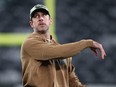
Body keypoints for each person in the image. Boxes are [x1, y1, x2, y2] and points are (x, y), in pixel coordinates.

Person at [21, 4, 106, 87]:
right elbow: (56, 52)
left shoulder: (64, 53)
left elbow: (72, 81)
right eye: (36, 16)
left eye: (44, 15)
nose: (41, 18)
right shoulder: (29, 43)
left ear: (50, 20)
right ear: (31, 24)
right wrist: (87, 43)